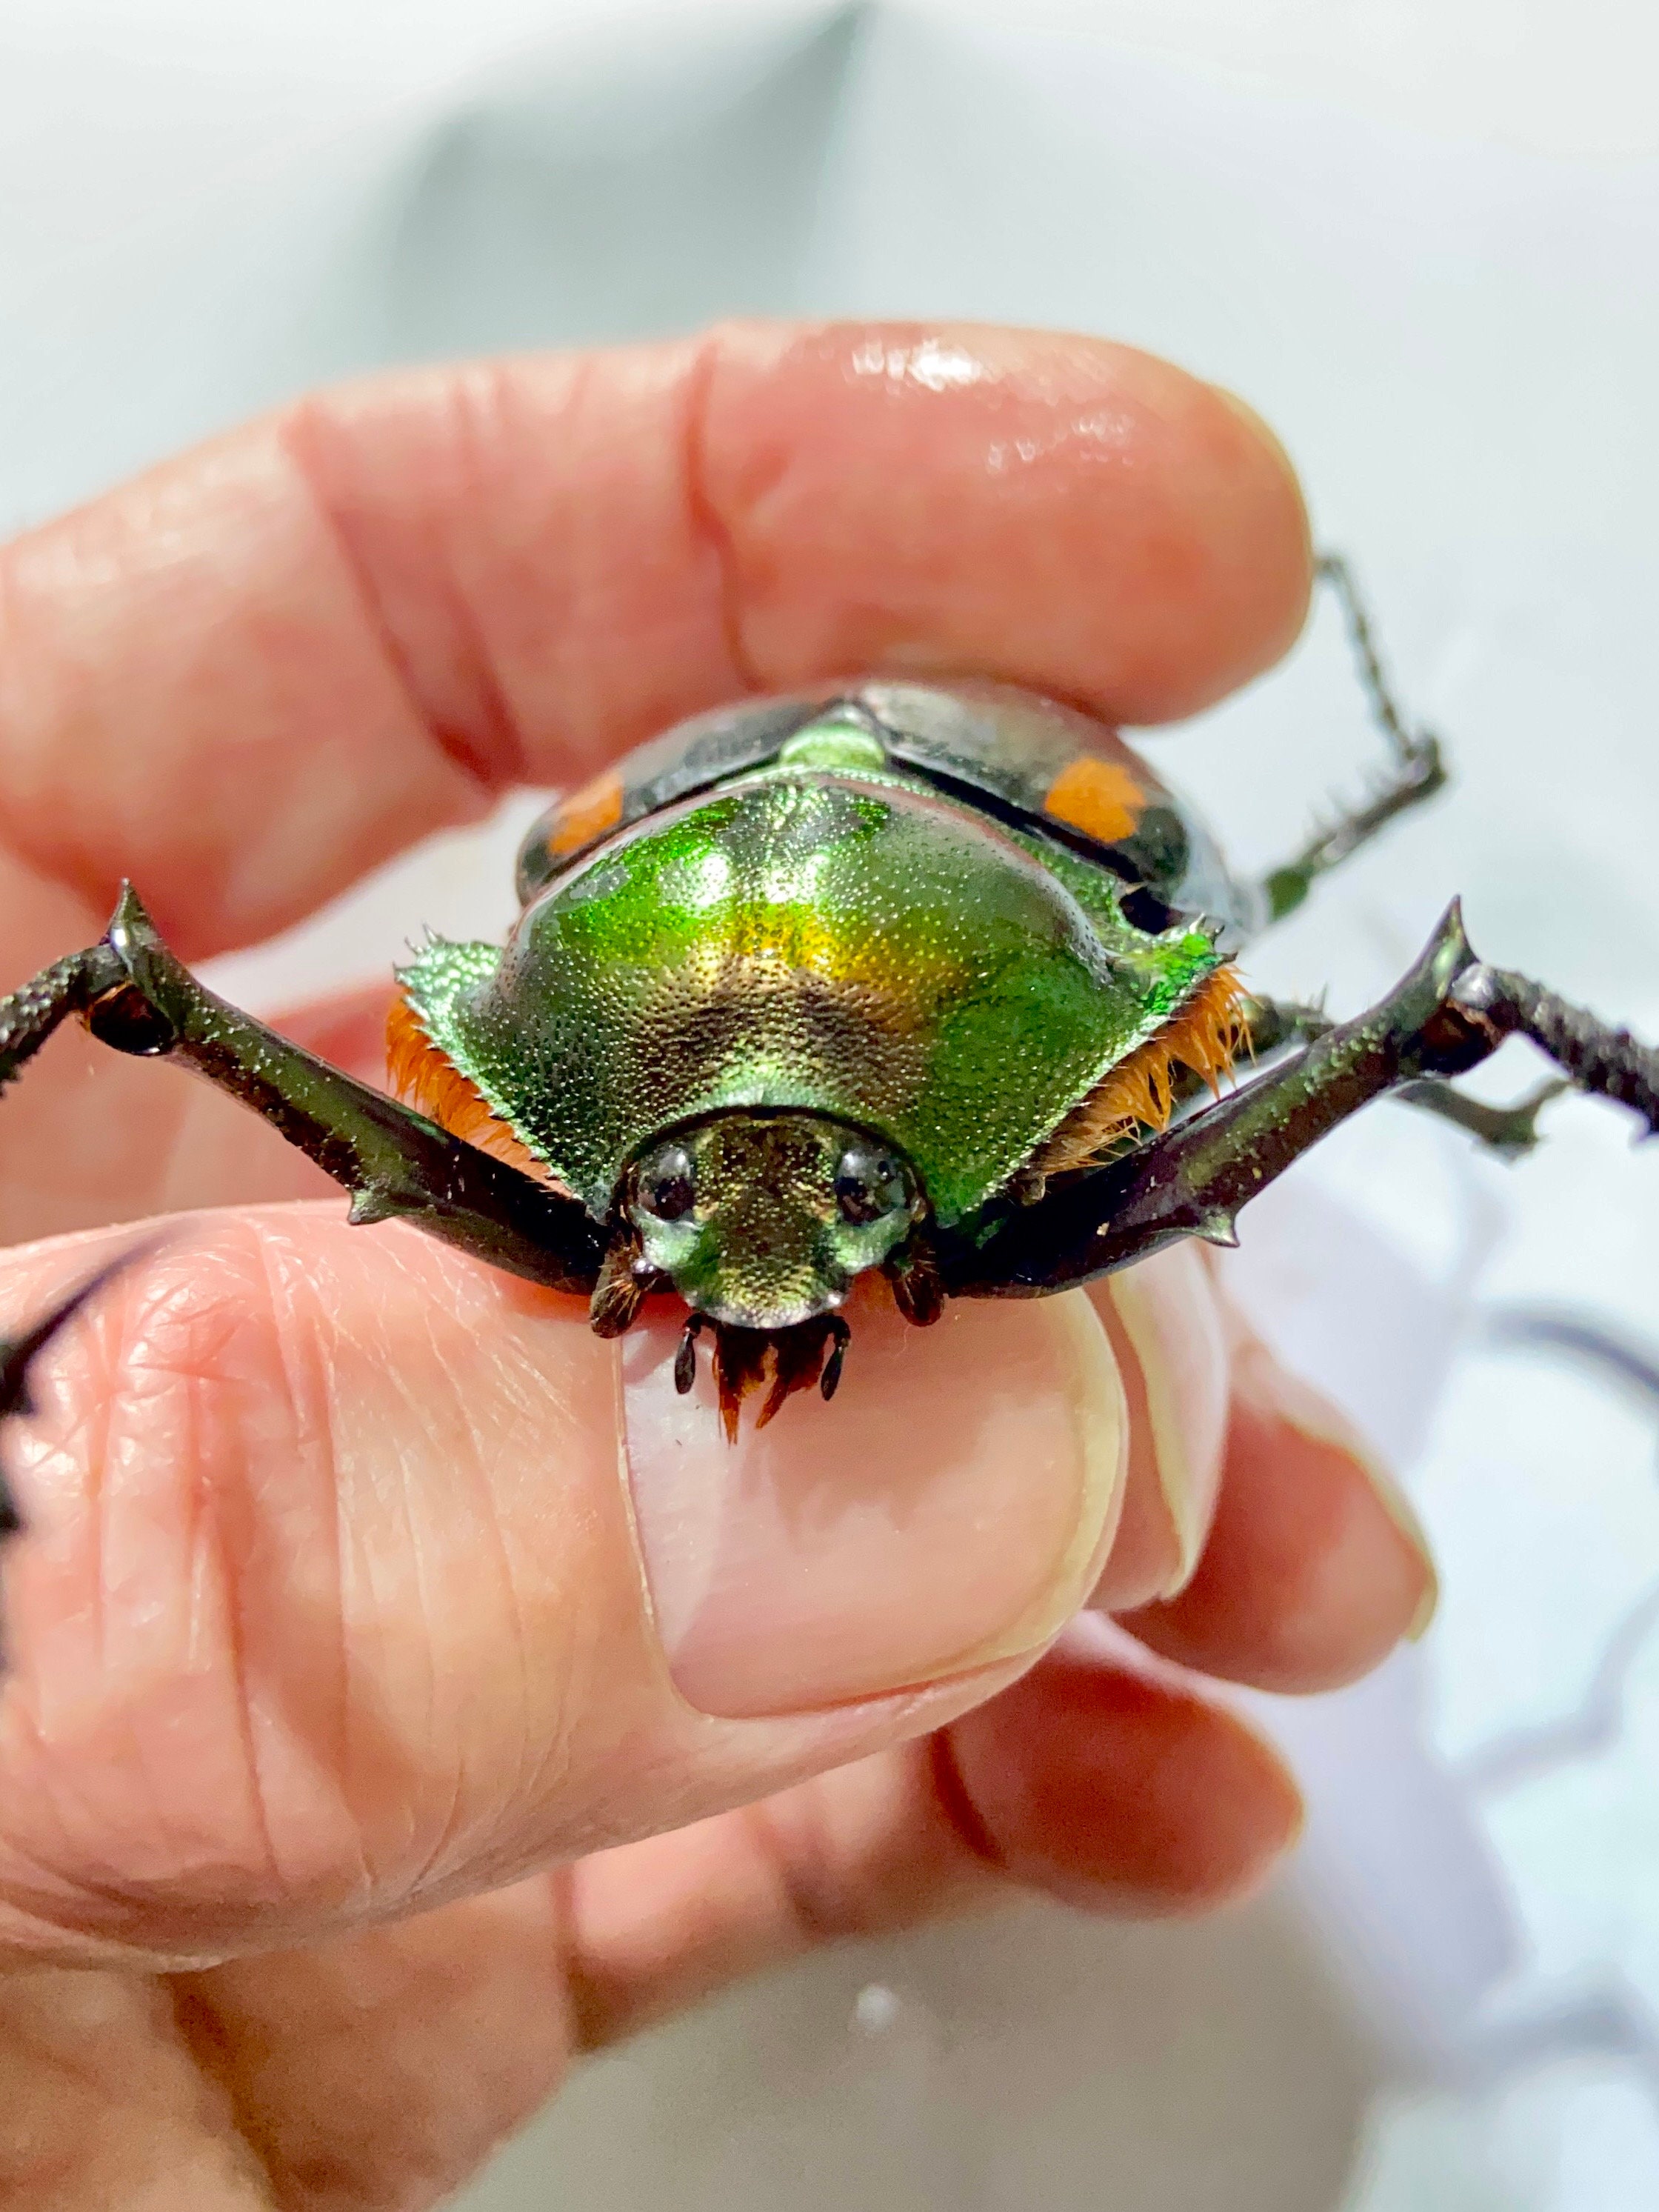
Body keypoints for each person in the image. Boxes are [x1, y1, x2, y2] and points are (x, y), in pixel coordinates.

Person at [0, 322, 1434, 2209]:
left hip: (1008, 844)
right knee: (1387, 1033)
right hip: (690, 879)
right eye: (687, 1196)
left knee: (1302, 1007)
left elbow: (1232, 1002)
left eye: (820, 1196)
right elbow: (137, 995)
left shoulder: (1083, 1011)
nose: (757, 1277)